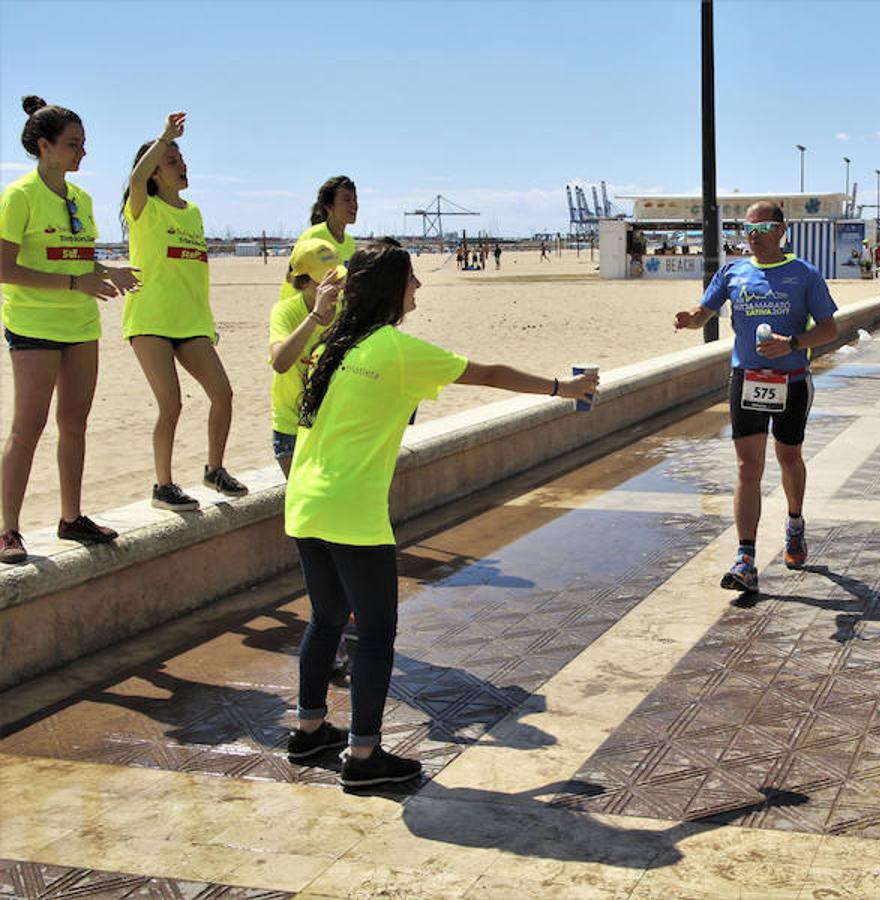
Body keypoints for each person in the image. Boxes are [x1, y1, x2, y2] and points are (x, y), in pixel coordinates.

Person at [284, 237, 597, 787]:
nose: (419, 287)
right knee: (377, 633)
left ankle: (309, 733)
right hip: (352, 511)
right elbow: (490, 373)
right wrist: (561, 387)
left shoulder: (340, 346)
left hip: (306, 502)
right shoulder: (394, 350)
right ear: (391, 289)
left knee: (327, 619)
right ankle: (362, 759)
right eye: (412, 278)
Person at [1, 96, 139, 564]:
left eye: (84, 143)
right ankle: (8, 530)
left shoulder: (79, 198)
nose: (83, 153)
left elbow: (77, 256)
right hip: (34, 324)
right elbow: (4, 267)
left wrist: (108, 269)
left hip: (81, 323)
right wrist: (76, 281)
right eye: (73, 144)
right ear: (45, 146)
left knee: (74, 423)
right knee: (28, 428)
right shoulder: (19, 196)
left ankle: (71, 517)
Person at [673, 201, 838, 592]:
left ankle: (794, 523)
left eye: (762, 228)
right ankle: (745, 558)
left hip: (792, 381)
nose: (753, 236)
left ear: (782, 230)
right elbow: (705, 311)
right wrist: (690, 319)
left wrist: (793, 342)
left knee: (789, 457)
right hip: (746, 379)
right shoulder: (733, 271)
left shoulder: (804, 274)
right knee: (748, 468)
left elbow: (830, 329)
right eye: (746, 229)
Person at [122, 112, 246, 511]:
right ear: (155, 172)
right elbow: (136, 180)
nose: (182, 166)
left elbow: (196, 275)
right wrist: (164, 137)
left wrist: (207, 323)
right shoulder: (143, 209)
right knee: (171, 403)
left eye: (181, 159)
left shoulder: (192, 213)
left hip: (191, 322)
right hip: (150, 321)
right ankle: (163, 486)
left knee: (223, 394)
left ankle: (215, 469)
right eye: (172, 162)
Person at [268, 239, 343, 475]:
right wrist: (315, 316)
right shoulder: (285, 311)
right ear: (303, 281)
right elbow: (280, 362)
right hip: (292, 427)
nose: (336, 286)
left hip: (333, 425)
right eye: (325, 279)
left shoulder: (345, 309)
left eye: (337, 277)